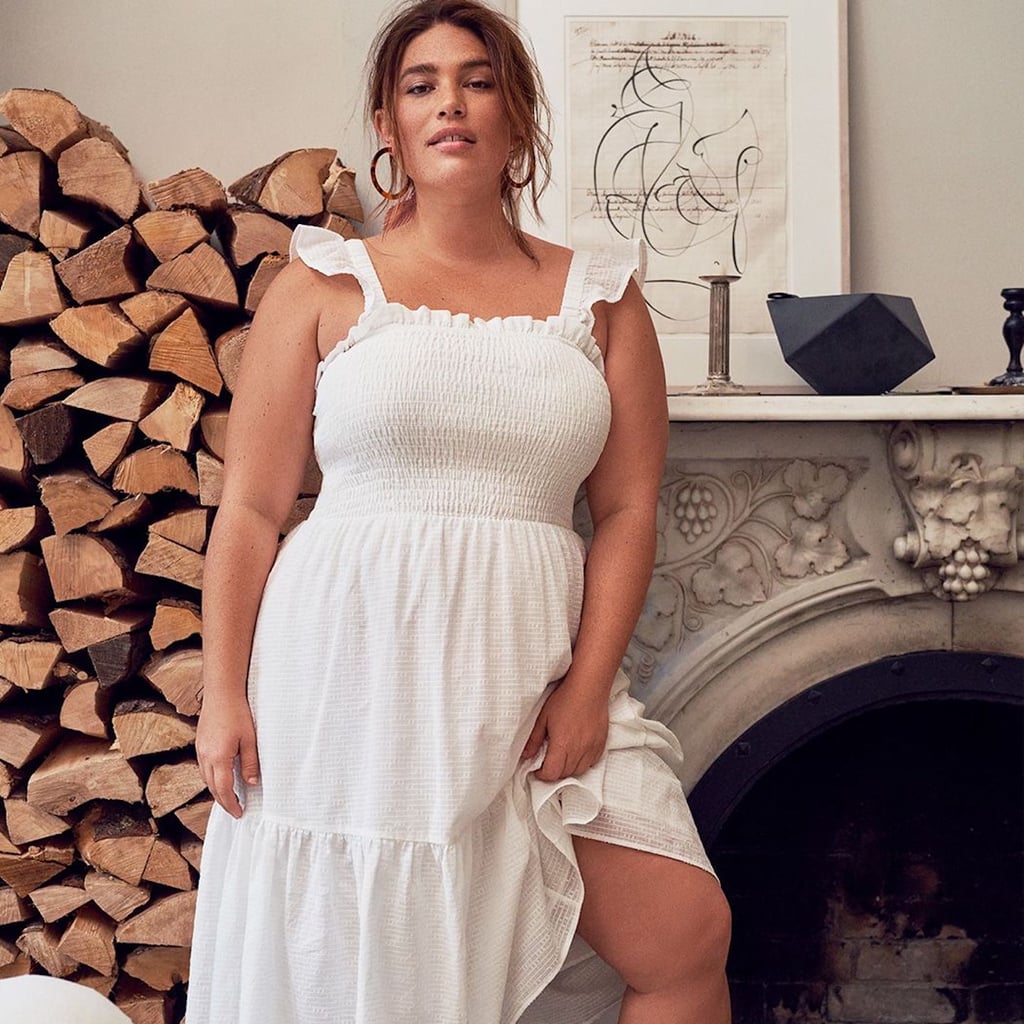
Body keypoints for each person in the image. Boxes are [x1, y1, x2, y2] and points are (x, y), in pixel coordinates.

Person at [188, 1, 731, 1021]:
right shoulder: (323, 285)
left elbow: (626, 512)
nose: (451, 104)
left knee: (684, 936)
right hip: (347, 678)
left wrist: (585, 691)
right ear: (388, 125)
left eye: (478, 82)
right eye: (422, 85)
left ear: (516, 118)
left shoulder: (602, 297)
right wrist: (222, 695)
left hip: (532, 674)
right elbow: (252, 509)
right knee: (368, 962)